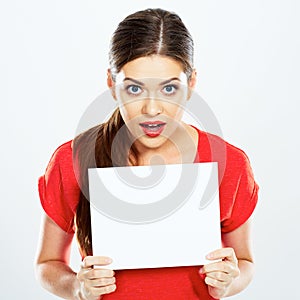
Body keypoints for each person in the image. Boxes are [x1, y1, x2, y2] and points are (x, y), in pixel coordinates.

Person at [35, 8, 259, 300]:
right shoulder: (72, 160)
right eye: (134, 88)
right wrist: (77, 287)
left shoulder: (229, 164)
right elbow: (47, 264)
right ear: (111, 85)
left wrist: (229, 281)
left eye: (169, 88)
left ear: (190, 84)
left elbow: (245, 262)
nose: (151, 110)